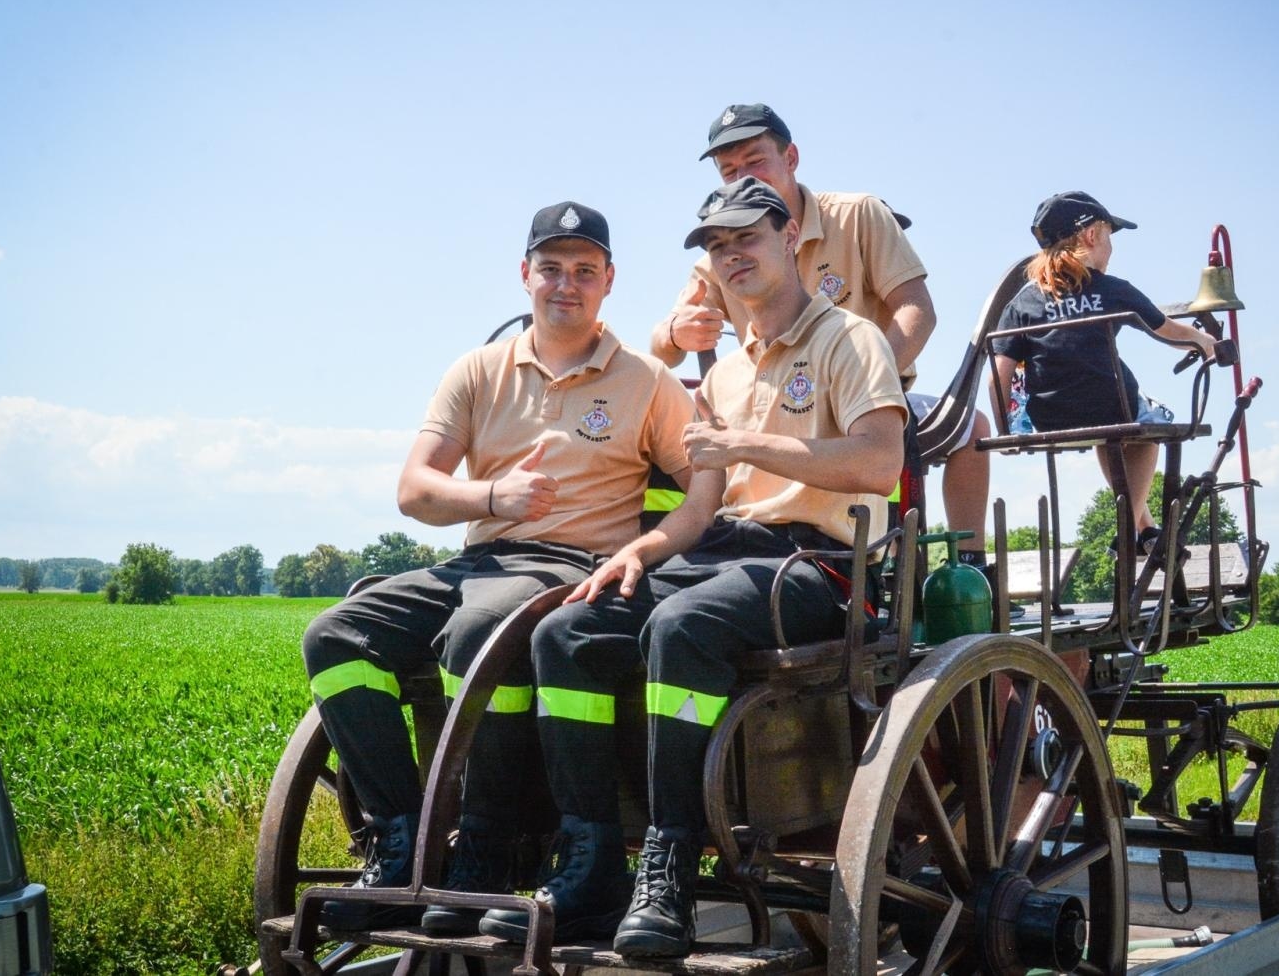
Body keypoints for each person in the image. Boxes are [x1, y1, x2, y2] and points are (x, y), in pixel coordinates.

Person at [479, 177, 906, 957]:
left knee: (682, 625)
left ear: (788, 239)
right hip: (722, 554)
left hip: (820, 565)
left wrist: (748, 445)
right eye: (715, 246)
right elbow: (702, 508)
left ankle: (669, 862)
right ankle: (592, 868)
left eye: (745, 238)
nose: (730, 255)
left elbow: (881, 462)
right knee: (566, 629)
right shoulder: (727, 372)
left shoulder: (848, 338)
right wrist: (634, 553)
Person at [300, 201, 693, 932]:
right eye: (550, 269)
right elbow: (414, 490)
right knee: (332, 636)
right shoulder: (478, 371)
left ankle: (487, 842)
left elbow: (705, 486)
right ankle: (400, 839)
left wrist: (646, 550)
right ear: (524, 276)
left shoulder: (647, 382)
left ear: (609, 282)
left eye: (583, 271)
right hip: (477, 557)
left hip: (569, 568)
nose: (564, 285)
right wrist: (493, 495)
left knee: (478, 628)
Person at [651, 103, 991, 562]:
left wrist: (862, 389)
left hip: (869, 402)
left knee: (973, 427)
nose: (742, 176)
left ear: (791, 158)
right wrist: (676, 332)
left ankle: (969, 563)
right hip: (767, 414)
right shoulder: (718, 253)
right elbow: (664, 350)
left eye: (755, 161)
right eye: (728, 170)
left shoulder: (858, 215)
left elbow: (916, 310)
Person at [987, 191, 1215, 553]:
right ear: (1092, 235)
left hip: (1050, 418)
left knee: (1106, 433)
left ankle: (1146, 529)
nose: (1111, 247)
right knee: (1146, 427)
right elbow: (1169, 331)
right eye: (1109, 235)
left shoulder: (1023, 302)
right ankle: (1128, 532)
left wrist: (1005, 431)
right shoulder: (1113, 289)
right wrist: (1206, 343)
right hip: (1114, 407)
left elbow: (998, 373)